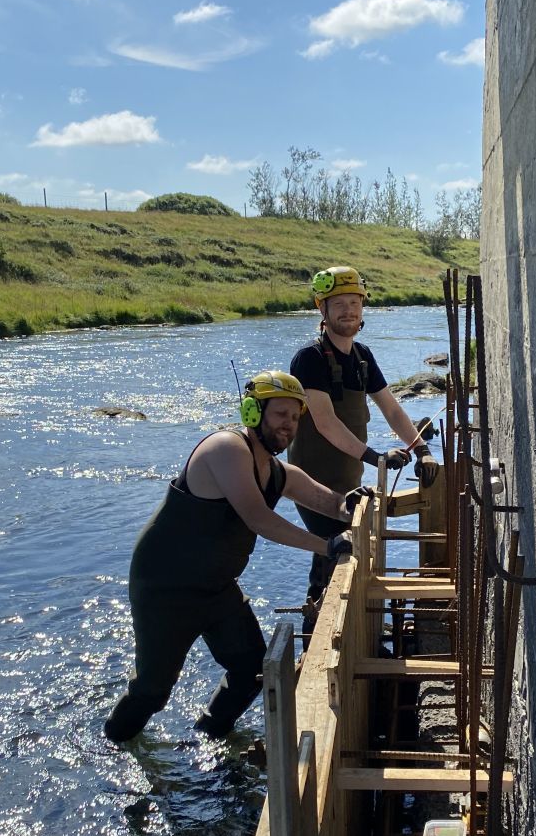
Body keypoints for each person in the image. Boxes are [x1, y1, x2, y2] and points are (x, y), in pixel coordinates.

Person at [104, 371, 359, 744]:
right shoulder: (226, 449)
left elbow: (332, 502)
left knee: (251, 669)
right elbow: (257, 517)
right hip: (167, 587)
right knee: (153, 691)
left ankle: (210, 736)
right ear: (253, 413)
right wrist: (326, 546)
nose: (288, 426)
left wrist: (355, 502)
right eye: (279, 414)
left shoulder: (277, 472)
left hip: (216, 586)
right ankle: (114, 743)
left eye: (294, 417)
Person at [288, 265, 439, 607]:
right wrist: (376, 457)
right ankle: (321, 631)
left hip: (348, 480)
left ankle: (325, 620)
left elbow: (392, 409)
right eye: (338, 303)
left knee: (340, 554)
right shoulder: (309, 359)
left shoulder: (363, 357)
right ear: (321, 308)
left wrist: (422, 448)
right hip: (312, 483)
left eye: (355, 302)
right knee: (339, 549)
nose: (349, 310)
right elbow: (326, 423)